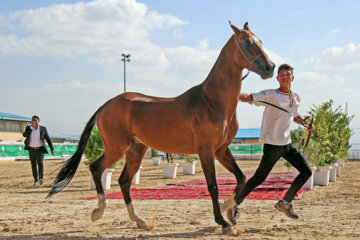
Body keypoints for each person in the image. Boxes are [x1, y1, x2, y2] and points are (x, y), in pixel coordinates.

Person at [227, 64, 315, 223]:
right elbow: (249, 97)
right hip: (272, 146)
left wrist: (304, 123)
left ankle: (285, 203)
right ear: (277, 78)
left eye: (287, 74)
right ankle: (233, 206)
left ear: (292, 78)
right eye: (281, 74)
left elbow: (293, 115)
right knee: (258, 178)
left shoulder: (296, 98)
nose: (284, 76)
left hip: (287, 145)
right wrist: (233, 93)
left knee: (306, 172)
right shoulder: (270, 95)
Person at [23, 115, 54, 186]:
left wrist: (52, 148)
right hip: (31, 149)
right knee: (33, 165)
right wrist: (30, 129)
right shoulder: (29, 128)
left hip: (40, 149)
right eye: (32, 120)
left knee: (40, 163)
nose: (34, 121)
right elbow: (24, 135)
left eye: (35, 120)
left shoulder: (43, 129)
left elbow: (48, 139)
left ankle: (41, 178)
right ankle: (36, 180)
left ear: (38, 121)